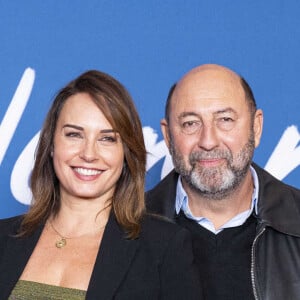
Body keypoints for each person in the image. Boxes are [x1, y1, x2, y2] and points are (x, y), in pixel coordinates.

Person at [0, 70, 203, 299]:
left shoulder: (164, 247)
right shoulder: (3, 238)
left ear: (126, 152)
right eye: (74, 135)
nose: (89, 154)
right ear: (51, 144)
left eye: (107, 138)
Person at [146, 64, 300, 300]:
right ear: (167, 136)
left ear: (256, 128)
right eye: (190, 123)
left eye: (225, 120)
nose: (208, 141)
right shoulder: (123, 229)